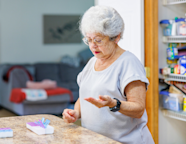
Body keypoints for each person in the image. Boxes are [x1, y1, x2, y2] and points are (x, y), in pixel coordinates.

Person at [62, 5, 154, 144]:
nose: (92, 46)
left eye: (98, 40)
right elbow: (85, 97)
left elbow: (138, 109)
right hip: (95, 140)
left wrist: (113, 103)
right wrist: (76, 113)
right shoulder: (91, 63)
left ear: (116, 37)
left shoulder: (128, 63)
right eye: (88, 40)